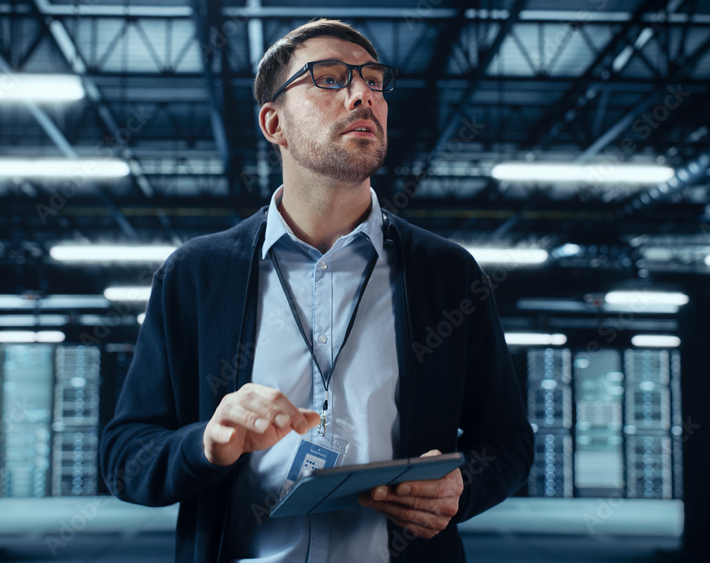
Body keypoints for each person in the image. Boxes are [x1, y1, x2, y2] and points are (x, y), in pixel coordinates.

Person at [100, 19, 534, 562]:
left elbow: (510, 442)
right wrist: (205, 445)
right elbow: (124, 458)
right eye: (329, 79)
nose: (362, 94)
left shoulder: (447, 274)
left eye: (374, 82)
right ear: (273, 122)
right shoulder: (195, 275)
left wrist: (462, 485)